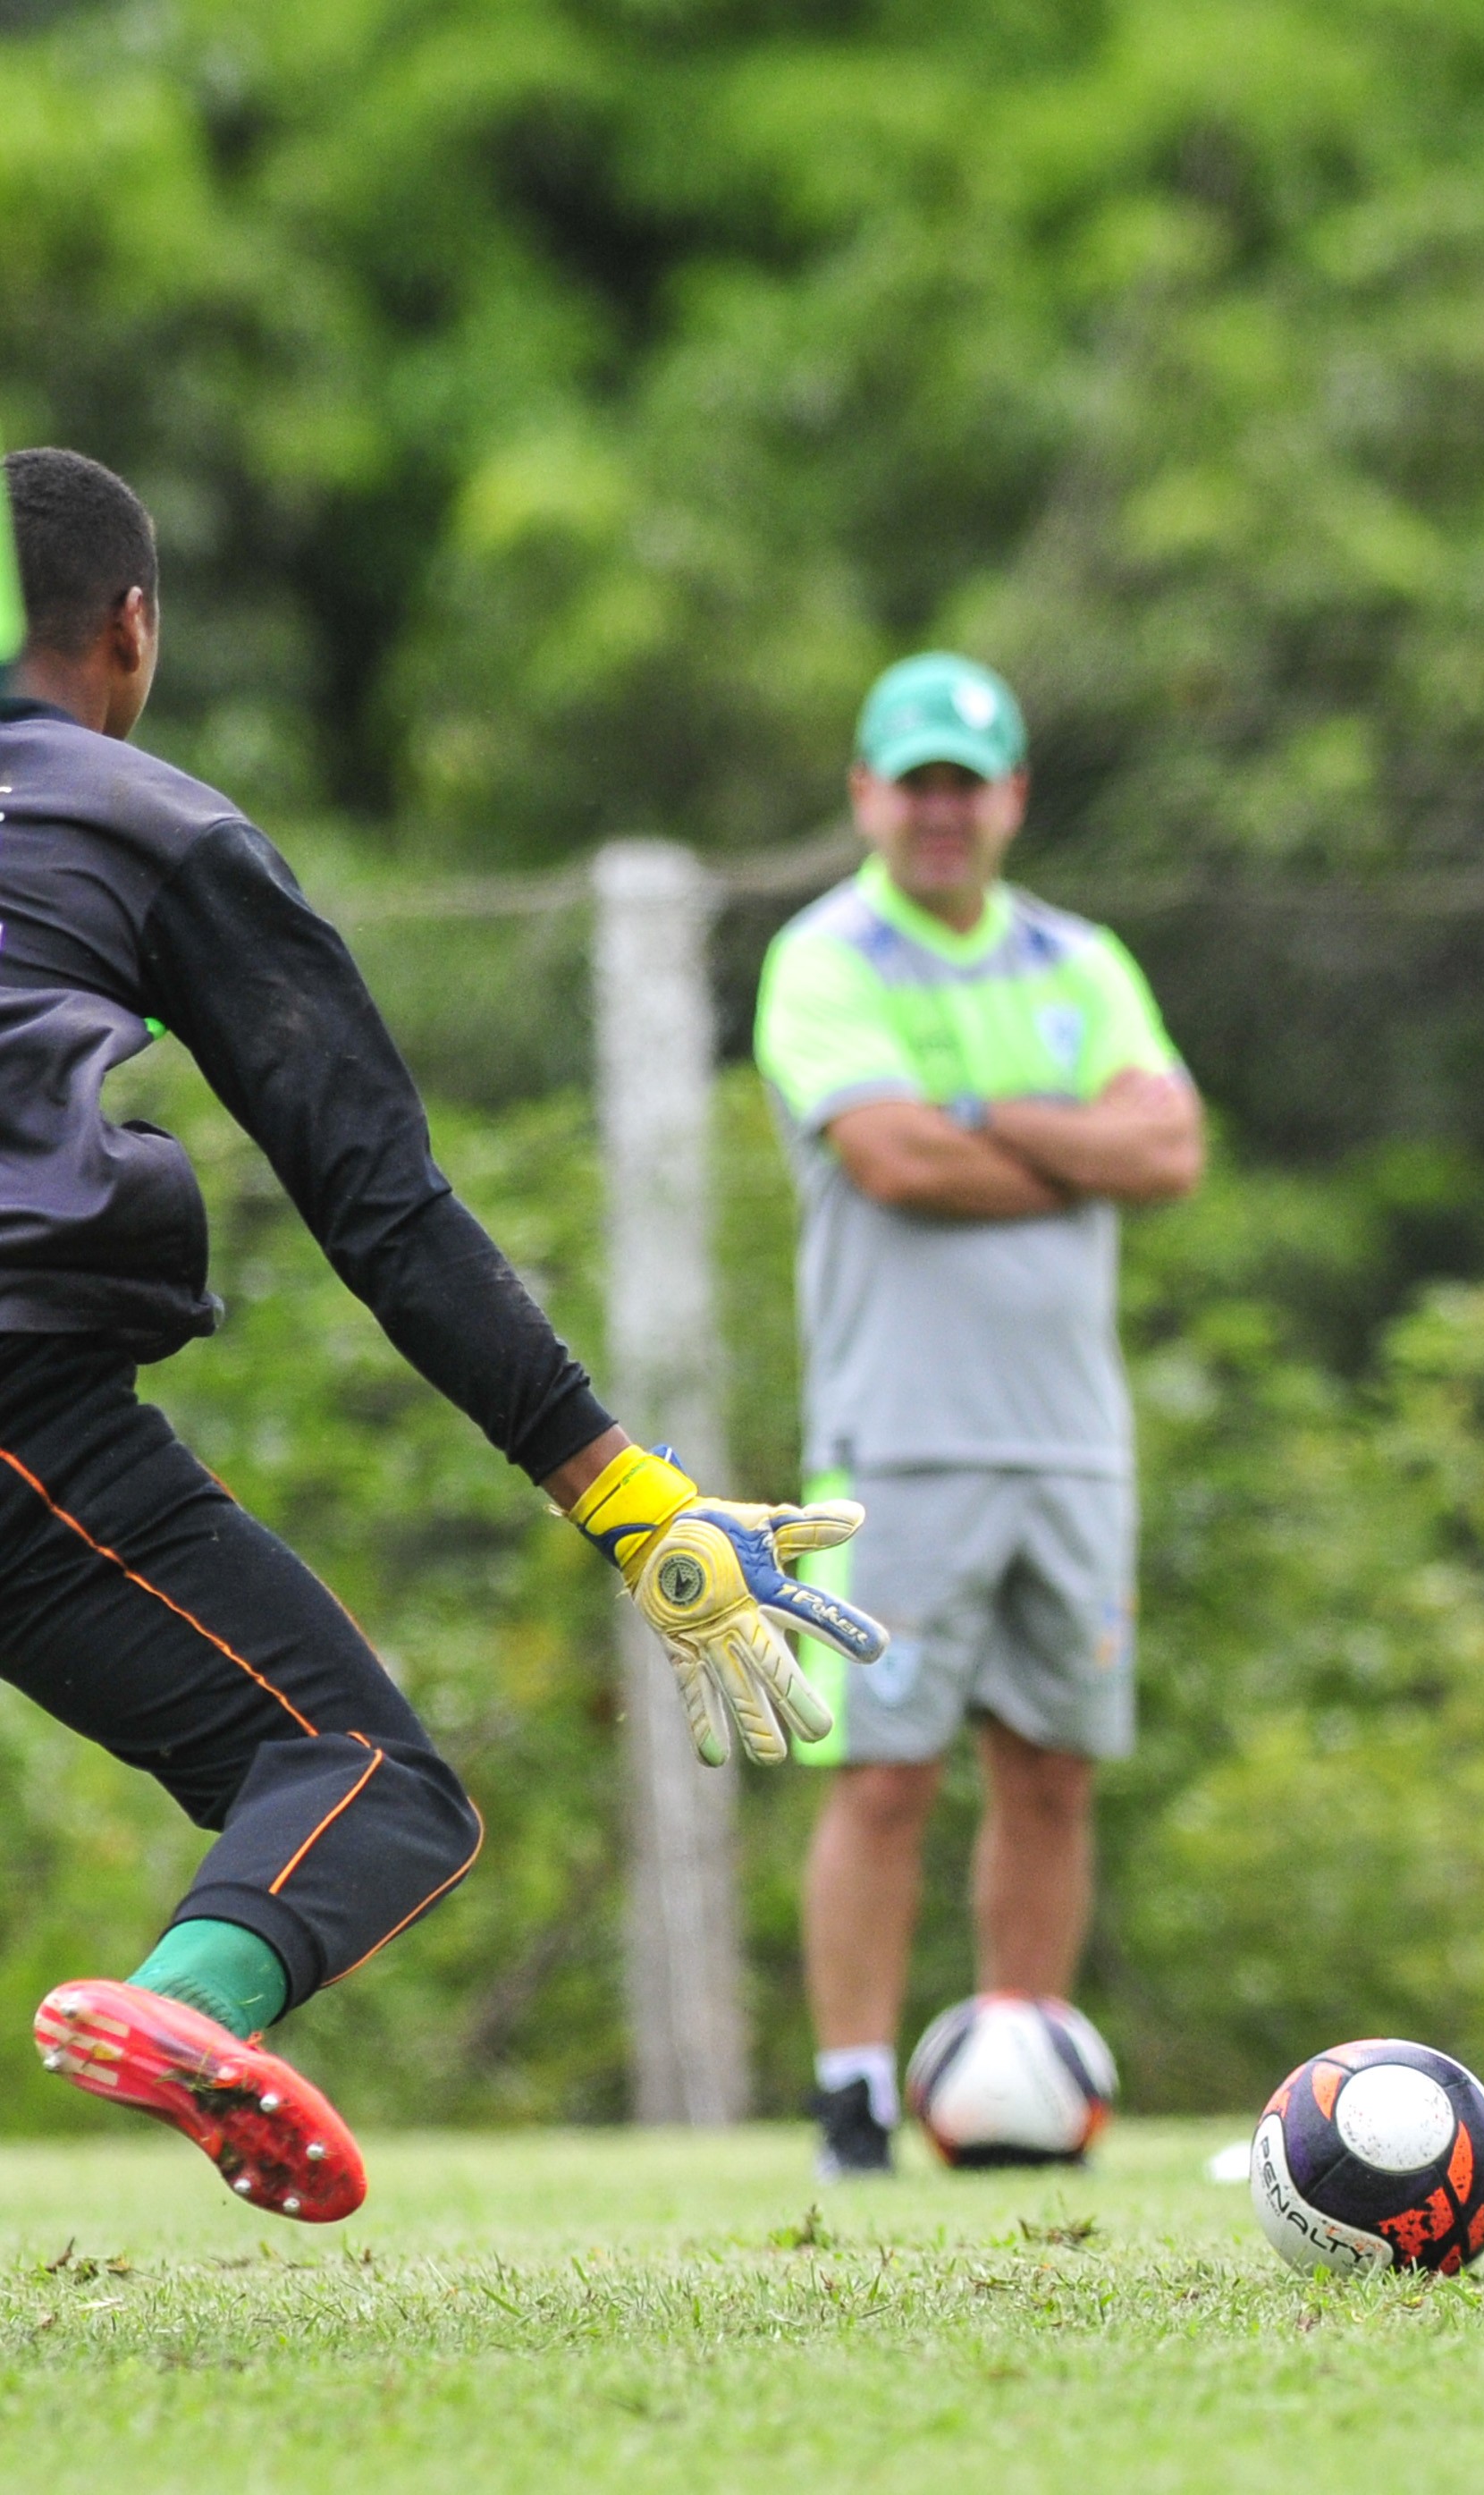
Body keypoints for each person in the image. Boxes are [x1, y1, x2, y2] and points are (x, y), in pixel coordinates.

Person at [0, 447, 881, 2219]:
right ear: (132, 629)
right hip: (25, 1407)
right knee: (361, 1780)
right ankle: (187, 2014)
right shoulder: (151, 823)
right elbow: (382, 1211)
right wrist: (630, 1499)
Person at [755, 652, 1203, 2178]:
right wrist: (1065, 1137)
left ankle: (1024, 2073)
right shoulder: (824, 957)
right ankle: (856, 2098)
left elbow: (1170, 1151)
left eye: (969, 784)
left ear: (1011, 796)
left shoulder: (1080, 956)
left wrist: (979, 1118)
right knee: (885, 1773)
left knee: (1052, 1765)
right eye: (915, 783)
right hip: (892, 1443)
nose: (941, 812)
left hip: (1071, 1440)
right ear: (867, 795)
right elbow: (890, 1160)